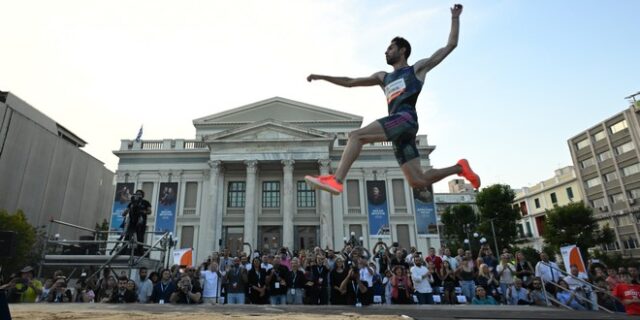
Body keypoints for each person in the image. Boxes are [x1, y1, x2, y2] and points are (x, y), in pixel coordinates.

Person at [304, 4, 480, 199]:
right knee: (418, 181)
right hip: (400, 132)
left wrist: (455, 18)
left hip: (405, 118)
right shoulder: (383, 77)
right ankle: (459, 167)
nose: (386, 52)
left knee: (356, 136)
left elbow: (450, 46)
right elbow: (350, 82)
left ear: (402, 50)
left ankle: (336, 180)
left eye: (390, 48)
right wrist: (322, 76)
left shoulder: (416, 70)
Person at [124, 190, 152, 256]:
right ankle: (123, 251)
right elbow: (126, 210)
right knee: (127, 237)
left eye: (139, 194)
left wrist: (143, 212)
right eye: (136, 194)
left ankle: (140, 253)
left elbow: (149, 211)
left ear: (142, 195)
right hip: (132, 223)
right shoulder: (132, 203)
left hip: (141, 224)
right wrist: (124, 213)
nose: (138, 195)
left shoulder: (146, 202)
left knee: (140, 238)